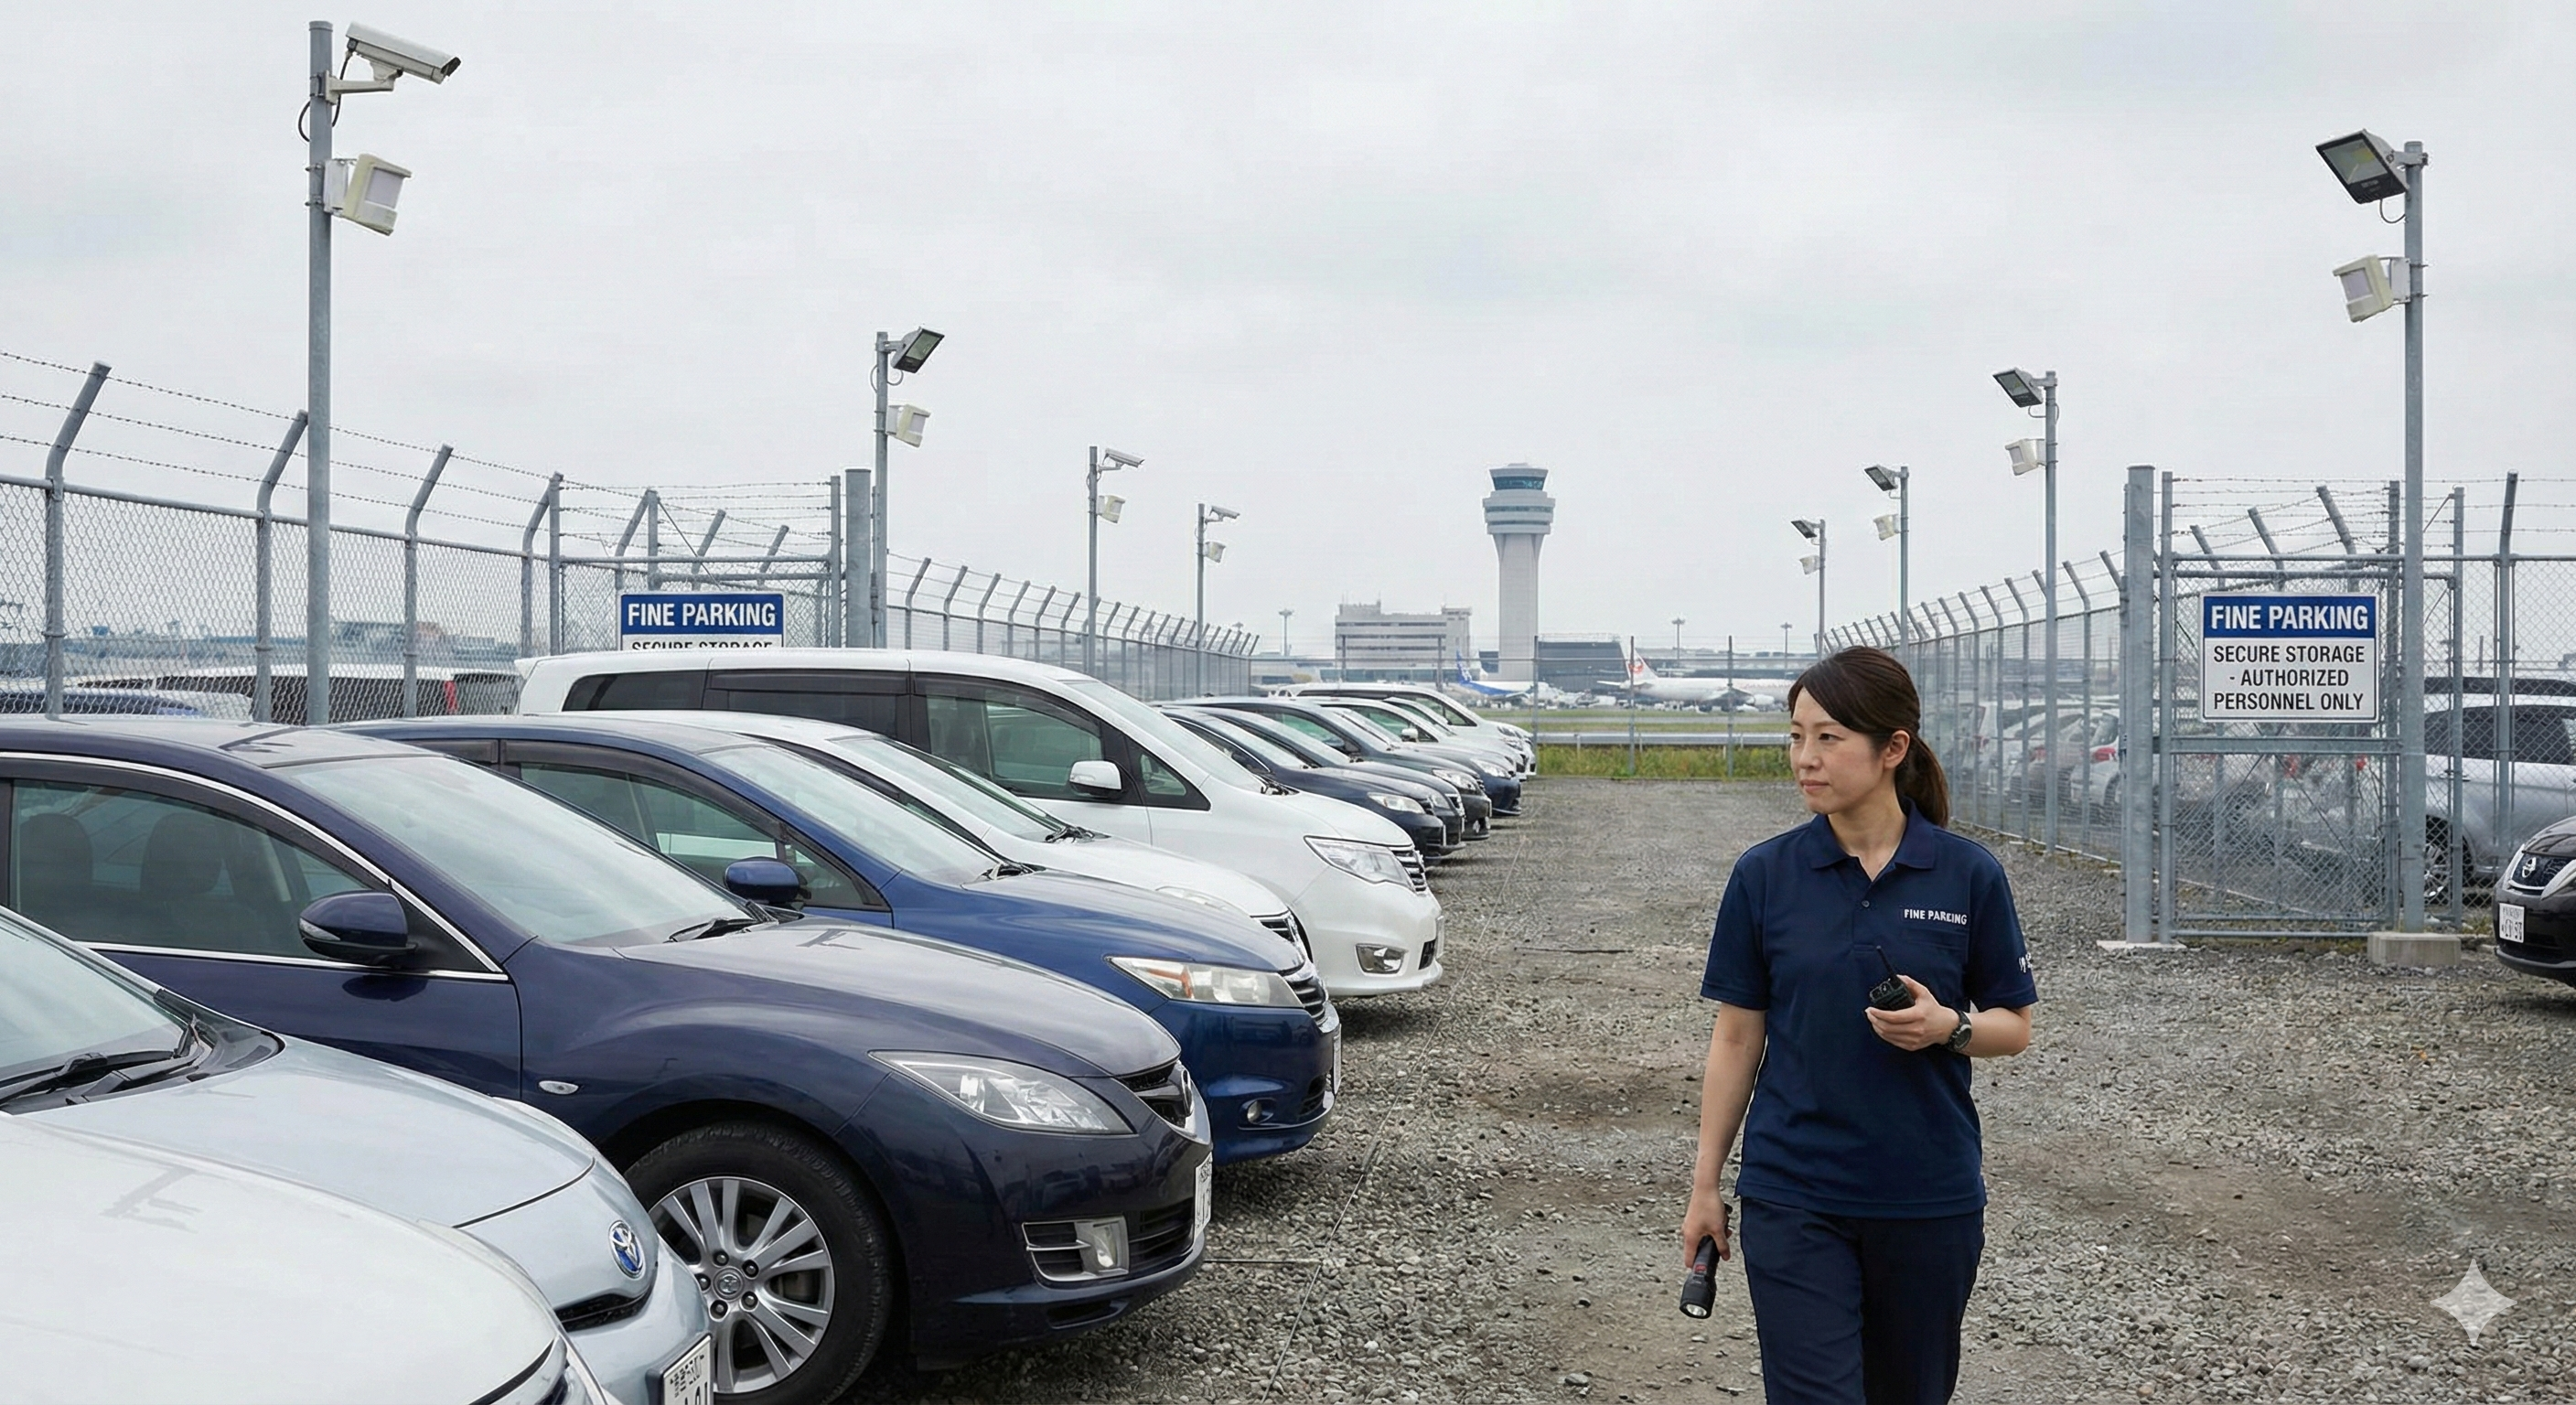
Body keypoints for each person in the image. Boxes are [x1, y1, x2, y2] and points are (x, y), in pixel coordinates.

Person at [1678, 647, 2037, 1404]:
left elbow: (2014, 1025)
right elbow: (1737, 1038)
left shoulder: (1968, 875)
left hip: (1928, 1199)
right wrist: (1706, 1183)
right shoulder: (1765, 875)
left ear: (1892, 749)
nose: (1804, 759)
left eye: (1829, 738)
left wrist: (1950, 1027)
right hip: (1794, 1193)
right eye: (1796, 735)